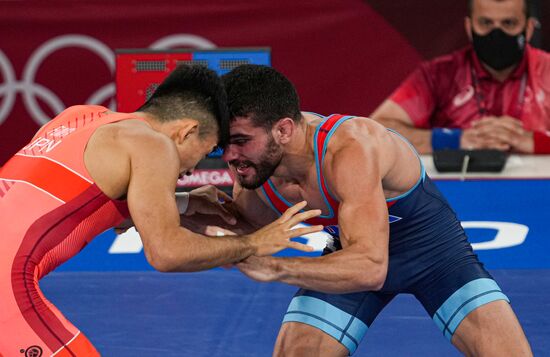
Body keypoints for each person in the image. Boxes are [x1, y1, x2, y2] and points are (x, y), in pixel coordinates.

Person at [0, 64, 323, 356]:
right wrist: (255, 243)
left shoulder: (77, 117)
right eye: (208, 149)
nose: (192, 167)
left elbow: (58, 204)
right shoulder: (154, 144)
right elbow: (166, 254)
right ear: (185, 131)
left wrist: (181, 204)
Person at [212, 64, 532, 356]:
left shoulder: (349, 148)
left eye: (240, 140)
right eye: (224, 143)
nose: (229, 155)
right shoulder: (253, 167)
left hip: (433, 253)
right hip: (352, 248)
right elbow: (239, 240)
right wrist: (190, 210)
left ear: (282, 131)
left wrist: (278, 268)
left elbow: (370, 268)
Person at [371, 0, 550, 155]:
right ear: (469, 27)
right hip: (456, 191)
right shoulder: (438, 75)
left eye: (509, 23)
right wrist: (455, 140)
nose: (497, 33)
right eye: (486, 23)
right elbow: (378, 129)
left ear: (528, 29)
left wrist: (535, 142)